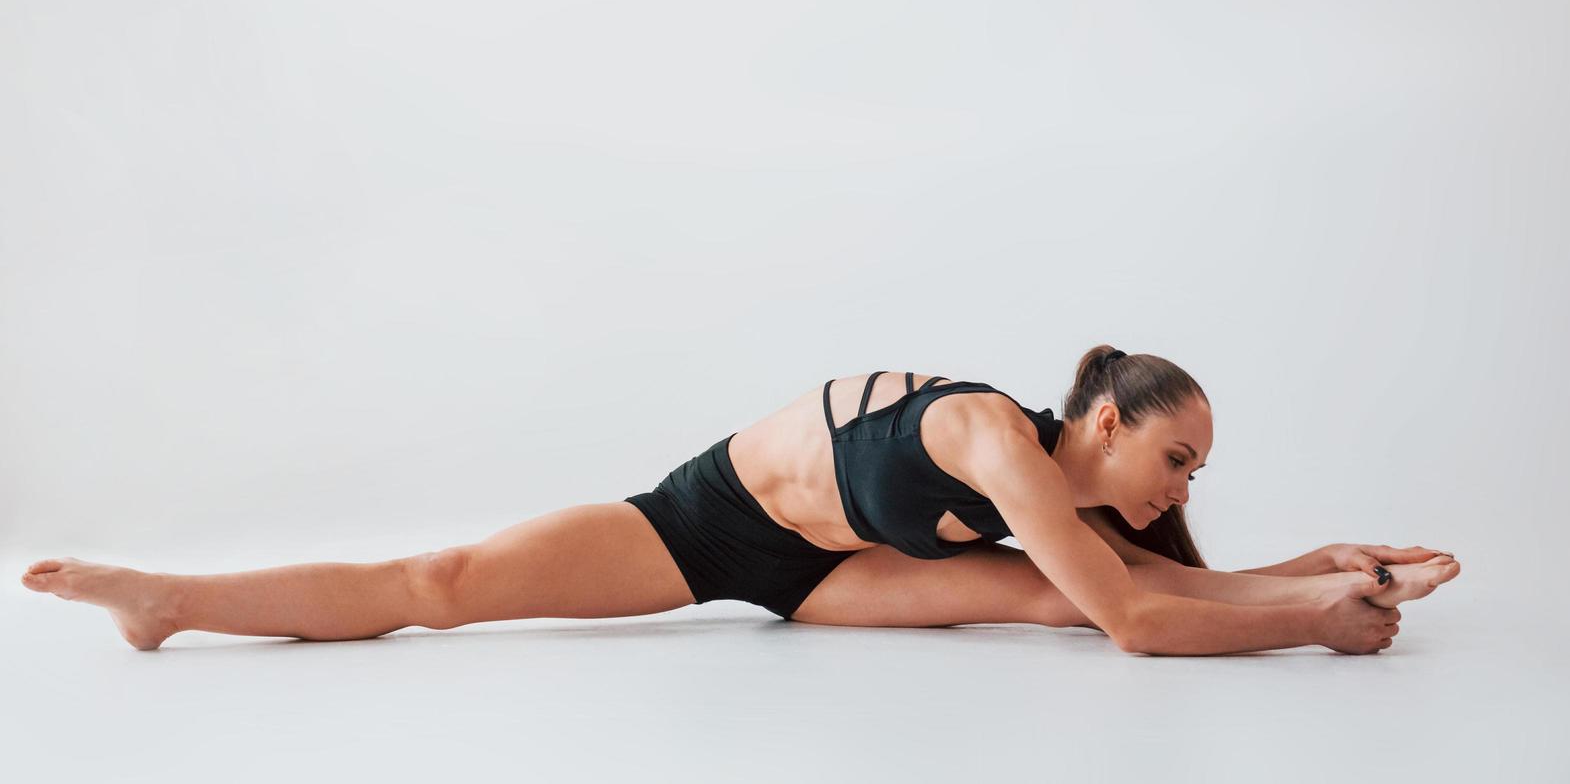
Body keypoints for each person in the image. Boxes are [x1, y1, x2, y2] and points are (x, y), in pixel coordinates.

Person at [18, 344, 1460, 655]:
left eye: (1197, 470)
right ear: (1100, 422)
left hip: (825, 574)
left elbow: (1120, 592)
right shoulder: (995, 444)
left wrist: (1317, 570)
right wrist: (1319, 623)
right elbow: (1140, 620)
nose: (1183, 482)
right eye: (1175, 457)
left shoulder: (1056, 506)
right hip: (710, 526)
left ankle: (1319, 583)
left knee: (1046, 598)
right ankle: (173, 601)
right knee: (443, 587)